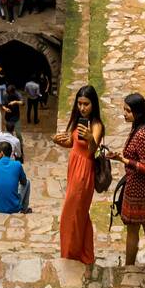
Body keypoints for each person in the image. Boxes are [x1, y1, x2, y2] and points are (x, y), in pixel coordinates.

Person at [106, 93, 145, 266]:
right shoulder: (143, 127)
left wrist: (124, 160)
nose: (124, 114)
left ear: (138, 112)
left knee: (133, 228)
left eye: (128, 111)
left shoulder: (141, 134)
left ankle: (130, 266)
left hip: (140, 188)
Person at [53, 85, 104, 265]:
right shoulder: (79, 121)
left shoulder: (96, 125)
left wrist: (90, 138)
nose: (82, 108)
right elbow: (73, 143)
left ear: (93, 104)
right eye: (79, 103)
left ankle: (71, 253)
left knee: (71, 213)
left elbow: (92, 150)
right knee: (80, 214)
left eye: (86, 104)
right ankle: (85, 253)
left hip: (83, 172)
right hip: (73, 169)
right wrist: (58, 141)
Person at [0, 141, 31, 214]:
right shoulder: (17, 164)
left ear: (2, 153)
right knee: (28, 182)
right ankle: (24, 209)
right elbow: (24, 182)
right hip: (14, 208)